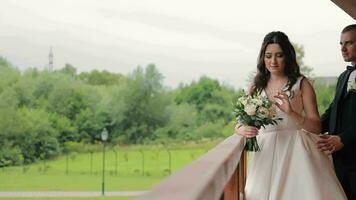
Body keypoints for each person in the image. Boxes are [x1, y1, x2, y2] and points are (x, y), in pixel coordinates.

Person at [235, 31, 347, 200]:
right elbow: (239, 123)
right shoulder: (255, 87)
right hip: (264, 154)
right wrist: (241, 128)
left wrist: (292, 113)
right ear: (262, 58)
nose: (273, 61)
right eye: (268, 56)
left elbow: (316, 127)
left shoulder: (302, 83)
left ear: (287, 56)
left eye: (279, 55)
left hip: (296, 152)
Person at [318, 24, 356, 200]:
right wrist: (311, 126)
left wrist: (343, 138)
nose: (343, 48)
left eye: (349, 43)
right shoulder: (343, 76)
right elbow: (334, 109)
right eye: (341, 44)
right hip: (339, 160)